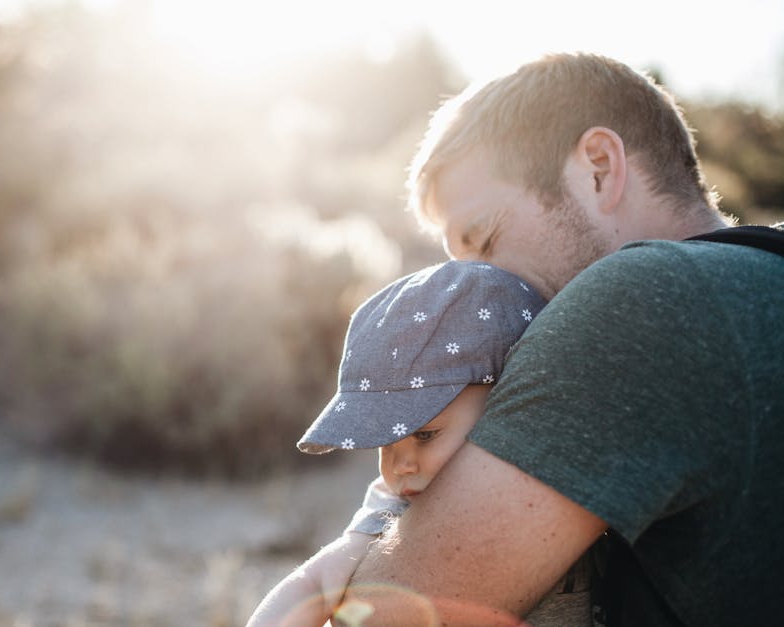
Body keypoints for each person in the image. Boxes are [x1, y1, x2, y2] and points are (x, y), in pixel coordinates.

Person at [334, 52, 784, 625]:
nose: (473, 289)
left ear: (598, 167)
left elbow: (385, 618)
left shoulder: (638, 300)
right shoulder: (760, 277)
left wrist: (351, 551)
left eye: (485, 240)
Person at [247, 260, 595, 626]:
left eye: (425, 435)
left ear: (506, 401)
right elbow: (314, 581)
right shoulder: (397, 508)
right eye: (385, 443)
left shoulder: (567, 468)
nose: (400, 465)